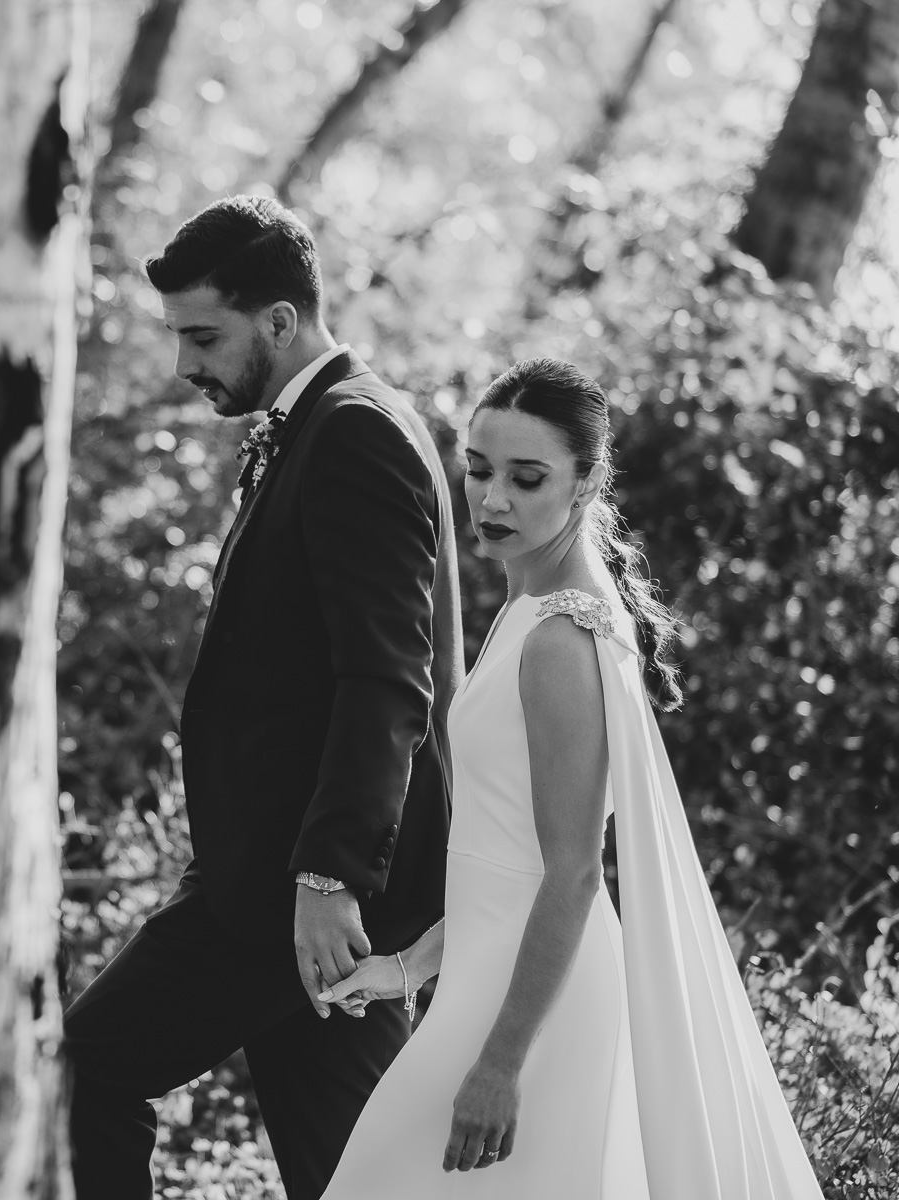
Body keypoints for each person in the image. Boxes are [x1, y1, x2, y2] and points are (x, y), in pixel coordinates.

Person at [317, 358, 823, 1198]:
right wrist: (408, 967)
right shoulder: (531, 606)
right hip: (491, 982)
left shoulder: (559, 641)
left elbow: (573, 872)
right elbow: (501, 860)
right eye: (479, 469)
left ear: (587, 483)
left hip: (531, 1017)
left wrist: (500, 1063)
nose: (493, 500)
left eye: (527, 479)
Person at [62, 195, 463, 1200]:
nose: (184, 364)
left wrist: (330, 879)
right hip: (296, 883)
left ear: (280, 322)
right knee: (355, 1175)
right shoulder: (320, 425)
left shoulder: (355, 432)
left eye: (204, 337)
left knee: (88, 1065)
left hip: (295, 889)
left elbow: (387, 677)